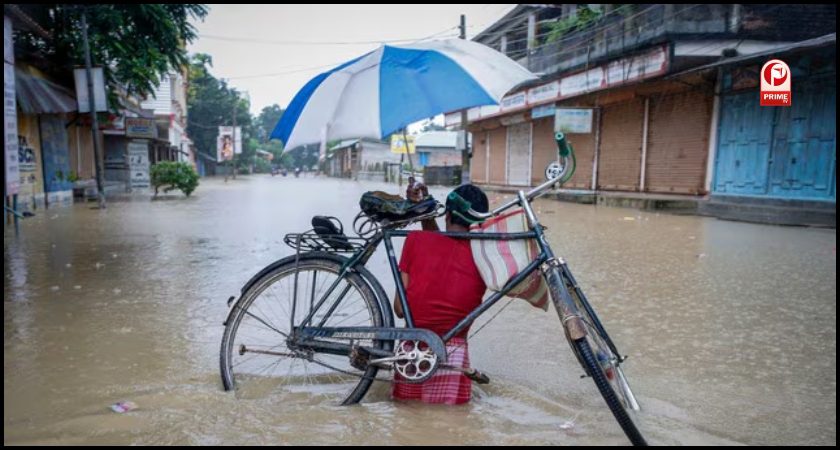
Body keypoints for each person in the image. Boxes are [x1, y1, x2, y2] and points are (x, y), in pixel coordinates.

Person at [391, 181, 489, 405]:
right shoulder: (485, 256)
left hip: (411, 354)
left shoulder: (415, 240)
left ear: (447, 215)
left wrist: (426, 211)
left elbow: (399, 308)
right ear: (482, 222)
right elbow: (452, 250)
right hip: (454, 357)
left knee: (405, 420)